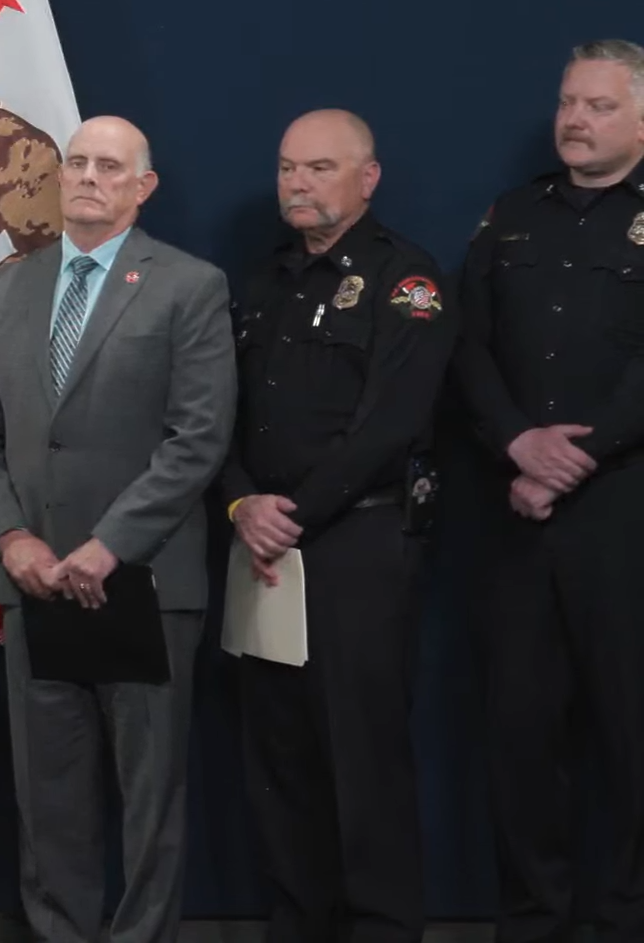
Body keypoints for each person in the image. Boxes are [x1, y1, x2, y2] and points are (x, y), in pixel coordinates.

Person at [0, 116, 235, 943]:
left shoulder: (190, 286)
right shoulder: (8, 287)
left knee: (150, 798)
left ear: (142, 188)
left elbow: (199, 439)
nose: (86, 177)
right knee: (49, 796)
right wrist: (12, 541)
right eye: (75, 162)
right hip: (35, 580)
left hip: (140, 584)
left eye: (108, 166)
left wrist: (108, 545)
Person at [221, 110, 456, 943]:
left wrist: (294, 516)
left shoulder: (407, 281)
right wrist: (243, 503)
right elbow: (223, 417)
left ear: (368, 178)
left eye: (320, 168)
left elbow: (392, 424)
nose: (298, 184)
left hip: (357, 541)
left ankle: (383, 928)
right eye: (288, 168)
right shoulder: (262, 279)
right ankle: (300, 922)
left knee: (362, 759)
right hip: (261, 541)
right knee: (278, 756)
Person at [455, 39, 644, 943]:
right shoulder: (512, 219)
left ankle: (621, 920)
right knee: (522, 740)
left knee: (632, 735)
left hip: (624, 515)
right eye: (570, 102)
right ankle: (533, 921)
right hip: (516, 514)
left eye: (600, 106)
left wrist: (580, 455)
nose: (575, 119)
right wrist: (520, 445)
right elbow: (469, 349)